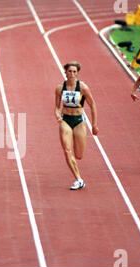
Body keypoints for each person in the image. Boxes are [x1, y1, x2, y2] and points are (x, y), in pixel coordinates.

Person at [54, 62, 98, 190]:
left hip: (79, 121)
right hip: (65, 120)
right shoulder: (59, 88)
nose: (72, 74)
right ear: (65, 72)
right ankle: (79, 179)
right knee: (67, 150)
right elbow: (57, 107)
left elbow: (93, 105)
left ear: (77, 73)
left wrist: (94, 125)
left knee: (79, 155)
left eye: (74, 72)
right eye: (70, 71)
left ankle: (78, 176)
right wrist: (58, 115)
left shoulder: (83, 88)